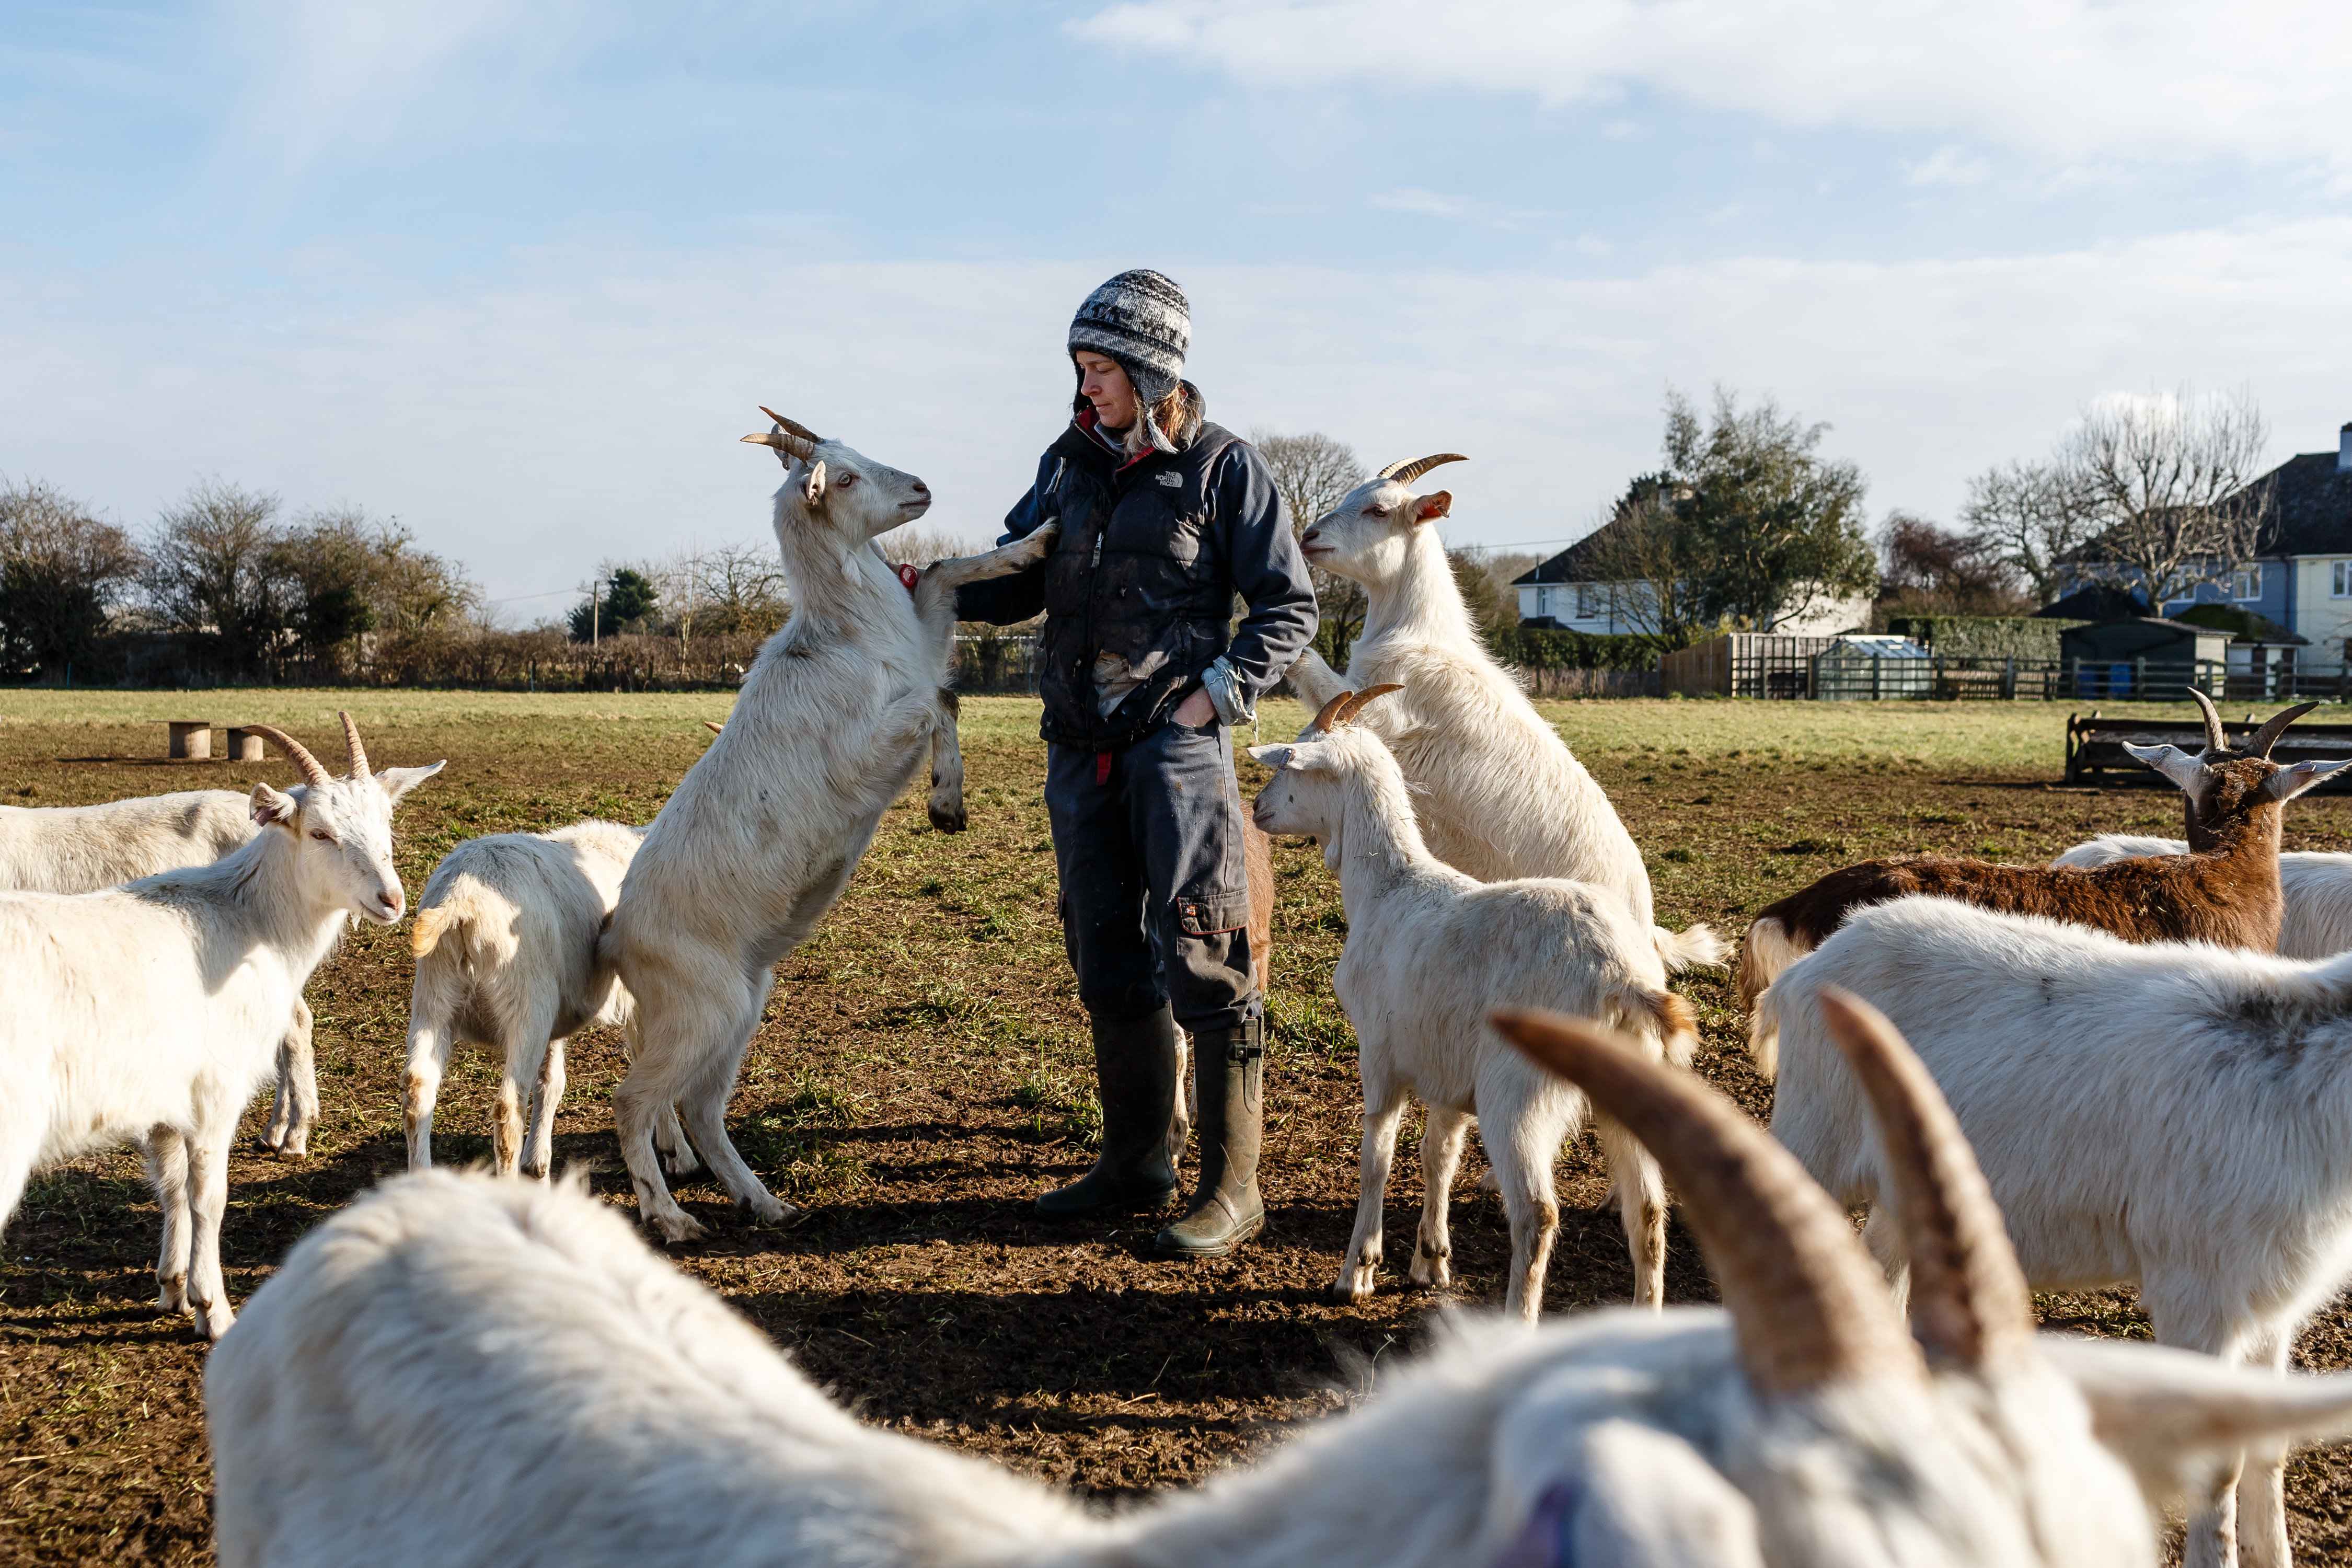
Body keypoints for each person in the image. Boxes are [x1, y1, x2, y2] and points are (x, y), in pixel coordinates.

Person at [957, 270, 1318, 1258]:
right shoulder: (1067, 464)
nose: (1087, 388)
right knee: (1105, 950)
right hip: (1078, 750)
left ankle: (1232, 1190)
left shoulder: (1221, 470)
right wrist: (926, 585)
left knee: (1206, 944)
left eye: (1103, 367)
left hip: (1176, 749)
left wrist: (1216, 695)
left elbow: (1288, 608)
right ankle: (1134, 1163)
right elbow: (1017, 577)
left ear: (1154, 371)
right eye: (1079, 367)